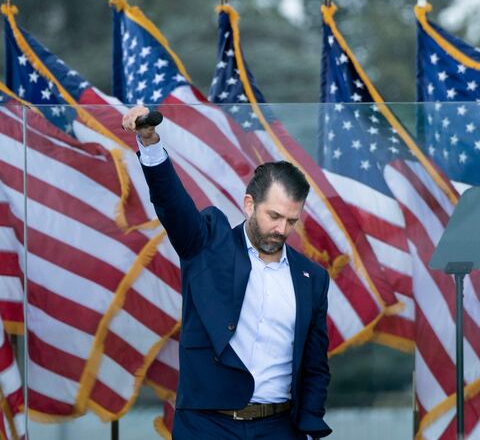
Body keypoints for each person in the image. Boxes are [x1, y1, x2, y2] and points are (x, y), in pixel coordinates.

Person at [122, 106, 332, 439]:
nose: (281, 228)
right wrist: (149, 142)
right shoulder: (208, 243)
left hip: (278, 428)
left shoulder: (312, 278)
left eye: (291, 221)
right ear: (249, 204)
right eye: (273, 216)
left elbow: (315, 363)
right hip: (208, 425)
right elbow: (173, 205)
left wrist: (309, 424)